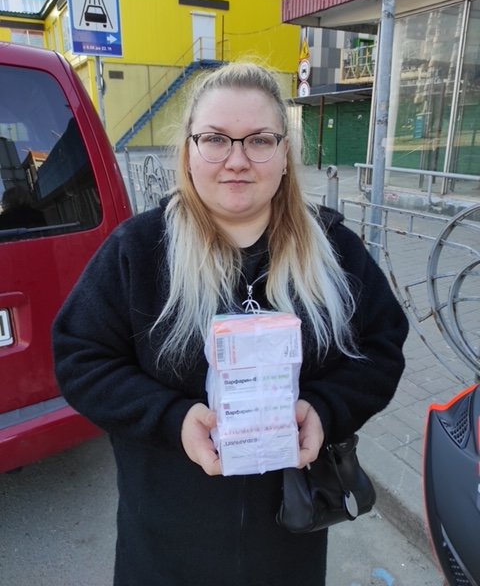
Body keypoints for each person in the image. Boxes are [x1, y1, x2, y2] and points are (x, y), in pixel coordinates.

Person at [52, 61, 409, 586]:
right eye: (216, 139)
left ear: (284, 155)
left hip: (289, 541)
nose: (237, 160)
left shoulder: (336, 251)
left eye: (259, 140)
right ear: (189, 151)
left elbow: (381, 347)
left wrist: (326, 409)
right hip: (165, 548)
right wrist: (172, 418)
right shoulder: (139, 250)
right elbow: (81, 357)